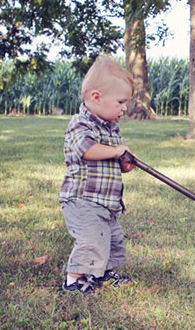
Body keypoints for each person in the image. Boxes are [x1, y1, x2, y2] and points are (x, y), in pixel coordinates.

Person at [59, 56, 137, 294]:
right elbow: (87, 149)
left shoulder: (110, 126)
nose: (124, 108)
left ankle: (102, 273)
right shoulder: (80, 124)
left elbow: (110, 159)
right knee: (92, 240)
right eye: (121, 101)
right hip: (84, 200)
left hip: (106, 202)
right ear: (96, 97)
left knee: (111, 238)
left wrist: (123, 163)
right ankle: (74, 280)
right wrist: (115, 151)